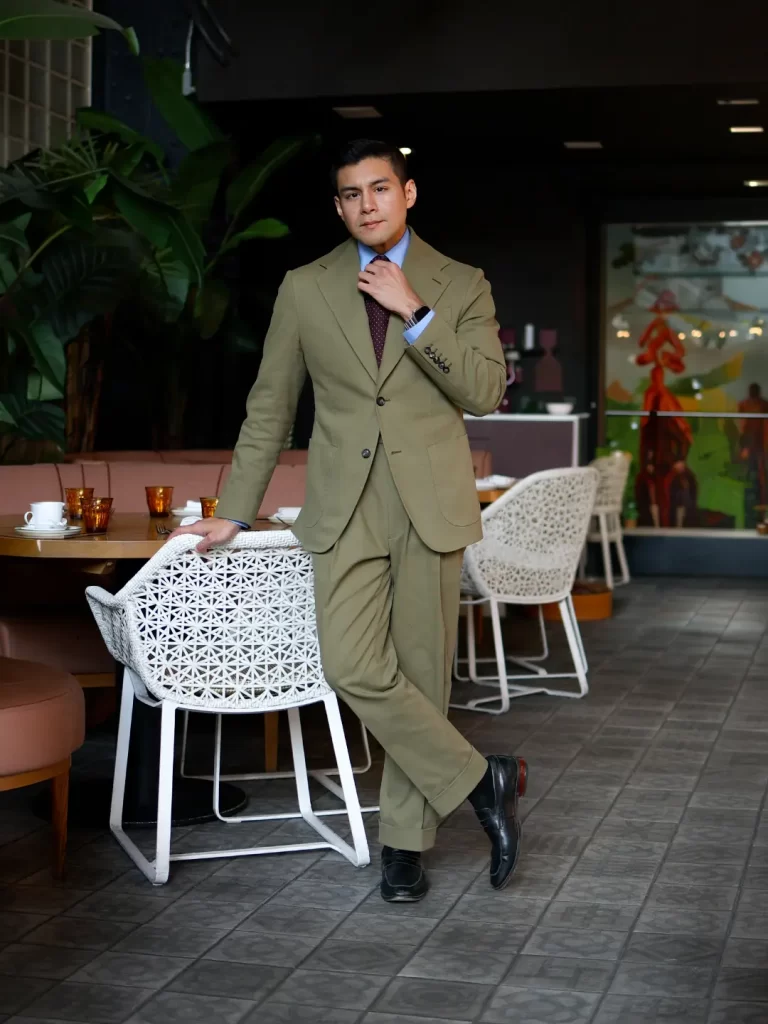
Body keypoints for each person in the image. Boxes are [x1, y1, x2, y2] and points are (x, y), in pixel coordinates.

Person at [172, 139, 526, 903]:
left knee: (422, 675)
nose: (367, 204)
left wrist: (415, 312)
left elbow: (483, 391)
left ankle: (404, 845)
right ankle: (481, 779)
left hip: (428, 504)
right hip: (343, 505)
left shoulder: (460, 283)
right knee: (352, 666)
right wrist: (234, 511)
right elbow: (270, 406)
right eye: (351, 194)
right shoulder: (305, 287)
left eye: (380, 188)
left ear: (408, 193)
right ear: (338, 207)